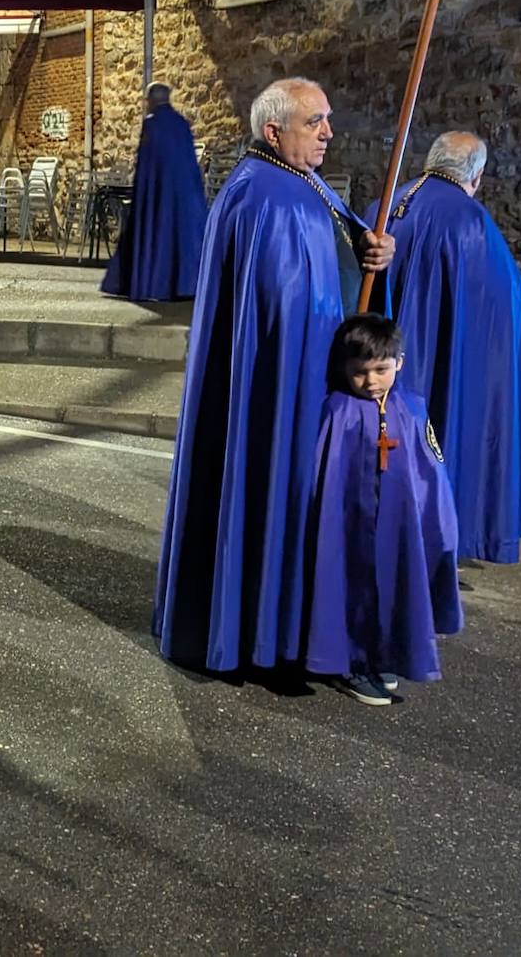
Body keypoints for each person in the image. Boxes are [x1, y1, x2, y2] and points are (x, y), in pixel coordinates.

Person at [153, 77, 395, 673]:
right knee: (284, 499)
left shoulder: (296, 180)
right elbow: (294, 315)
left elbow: (343, 253)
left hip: (303, 383)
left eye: (326, 119)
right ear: (274, 131)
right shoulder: (267, 196)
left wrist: (374, 252)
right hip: (290, 393)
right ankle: (275, 633)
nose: (328, 133)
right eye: (315, 122)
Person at [368, 132, 521, 563]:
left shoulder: (388, 205)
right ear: (476, 175)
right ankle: (439, 537)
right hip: (442, 361)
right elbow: (506, 295)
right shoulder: (469, 220)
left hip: (385, 362)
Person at [305, 315, 463, 705]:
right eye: (360, 372)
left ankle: (382, 653)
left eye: (381, 369)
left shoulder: (411, 409)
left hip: (398, 521)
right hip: (350, 524)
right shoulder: (336, 411)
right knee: (350, 584)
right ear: (344, 368)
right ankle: (349, 662)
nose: (371, 381)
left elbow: (431, 470)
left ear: (400, 363)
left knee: (397, 581)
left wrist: (438, 522)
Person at [100, 82, 208, 301]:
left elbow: (148, 165)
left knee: (155, 236)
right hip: (187, 198)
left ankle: (153, 285)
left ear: (150, 101)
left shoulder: (152, 124)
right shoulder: (181, 124)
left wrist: (142, 194)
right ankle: (185, 285)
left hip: (160, 196)